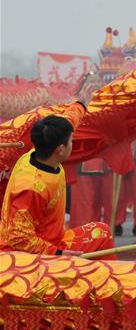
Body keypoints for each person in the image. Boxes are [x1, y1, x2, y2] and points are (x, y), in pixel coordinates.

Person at [0, 103, 115, 258]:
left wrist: (79, 105)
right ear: (60, 149)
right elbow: (19, 238)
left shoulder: (39, 151)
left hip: (54, 239)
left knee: (102, 232)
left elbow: (68, 120)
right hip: (30, 253)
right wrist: (59, 253)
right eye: (71, 140)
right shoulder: (30, 188)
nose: (72, 144)